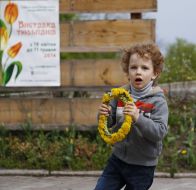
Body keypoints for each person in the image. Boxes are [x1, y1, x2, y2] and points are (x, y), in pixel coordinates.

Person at [94, 42, 169, 190]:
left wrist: (138, 118)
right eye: (133, 67)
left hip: (142, 167)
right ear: (128, 72)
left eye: (144, 68)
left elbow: (159, 132)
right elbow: (108, 123)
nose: (138, 72)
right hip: (118, 159)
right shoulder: (119, 95)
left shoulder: (158, 101)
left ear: (154, 73)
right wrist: (104, 114)